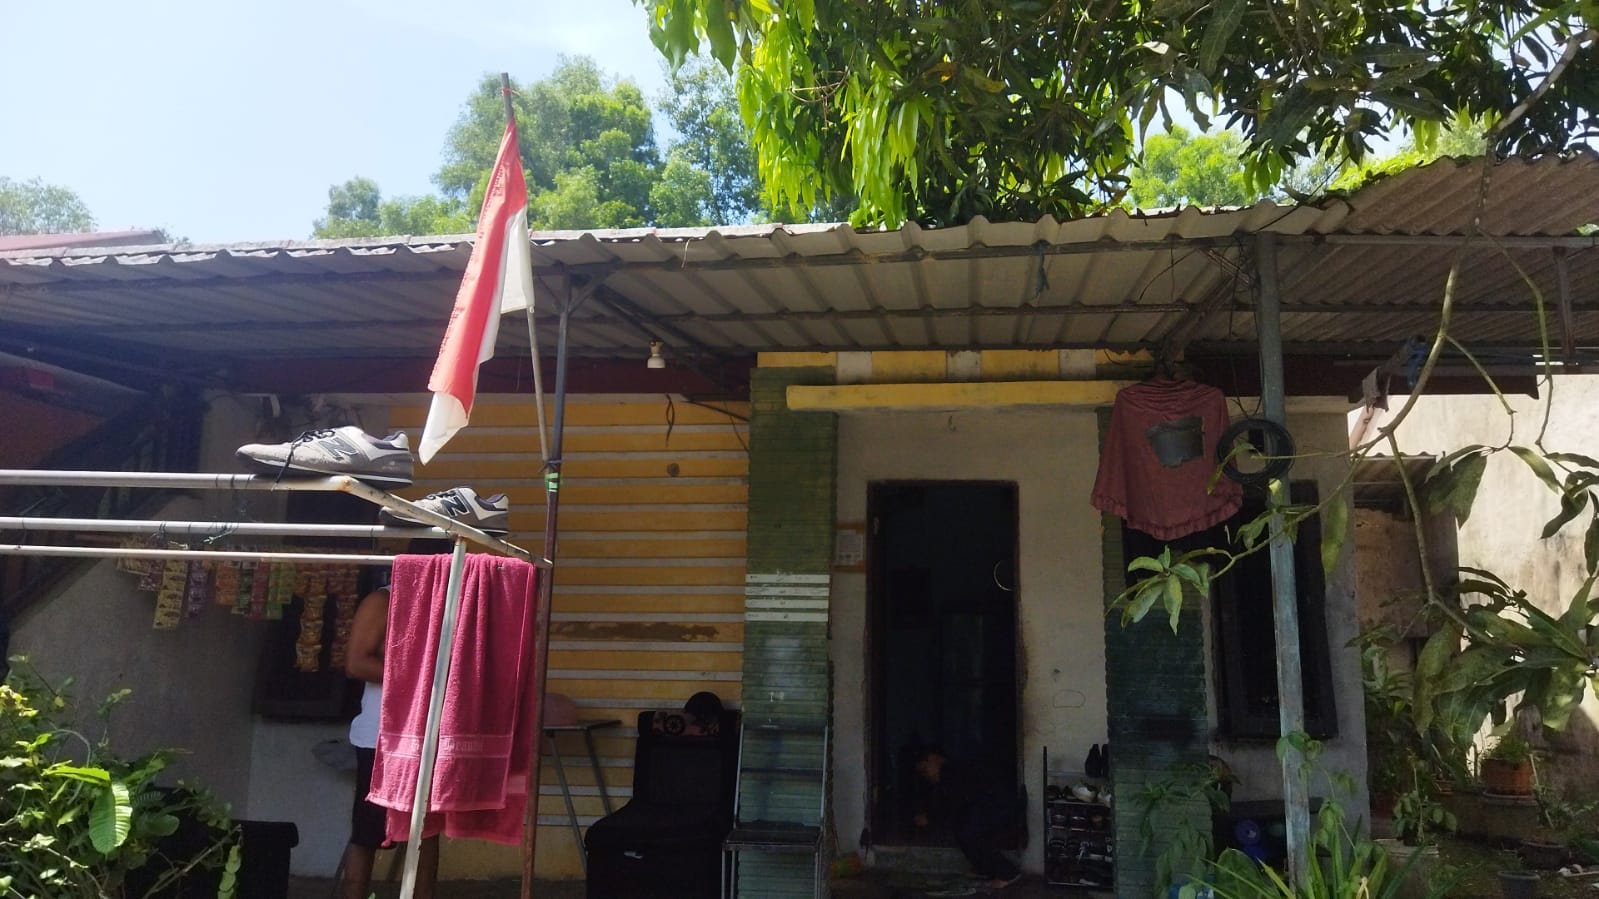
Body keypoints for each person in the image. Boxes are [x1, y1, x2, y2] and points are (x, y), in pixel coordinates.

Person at [339, 581, 439, 899]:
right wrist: (418, 676)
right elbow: (356, 663)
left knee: (426, 830)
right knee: (367, 833)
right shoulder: (382, 600)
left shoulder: (443, 601)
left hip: (427, 735)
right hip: (381, 738)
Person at [913, 747, 1024, 890]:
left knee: (968, 831)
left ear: (934, 759)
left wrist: (930, 818)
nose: (926, 775)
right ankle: (984, 868)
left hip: (1000, 808)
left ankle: (1008, 872)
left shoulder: (952, 772)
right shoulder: (950, 772)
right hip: (994, 807)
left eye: (925, 770)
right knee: (962, 826)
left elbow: (952, 803)